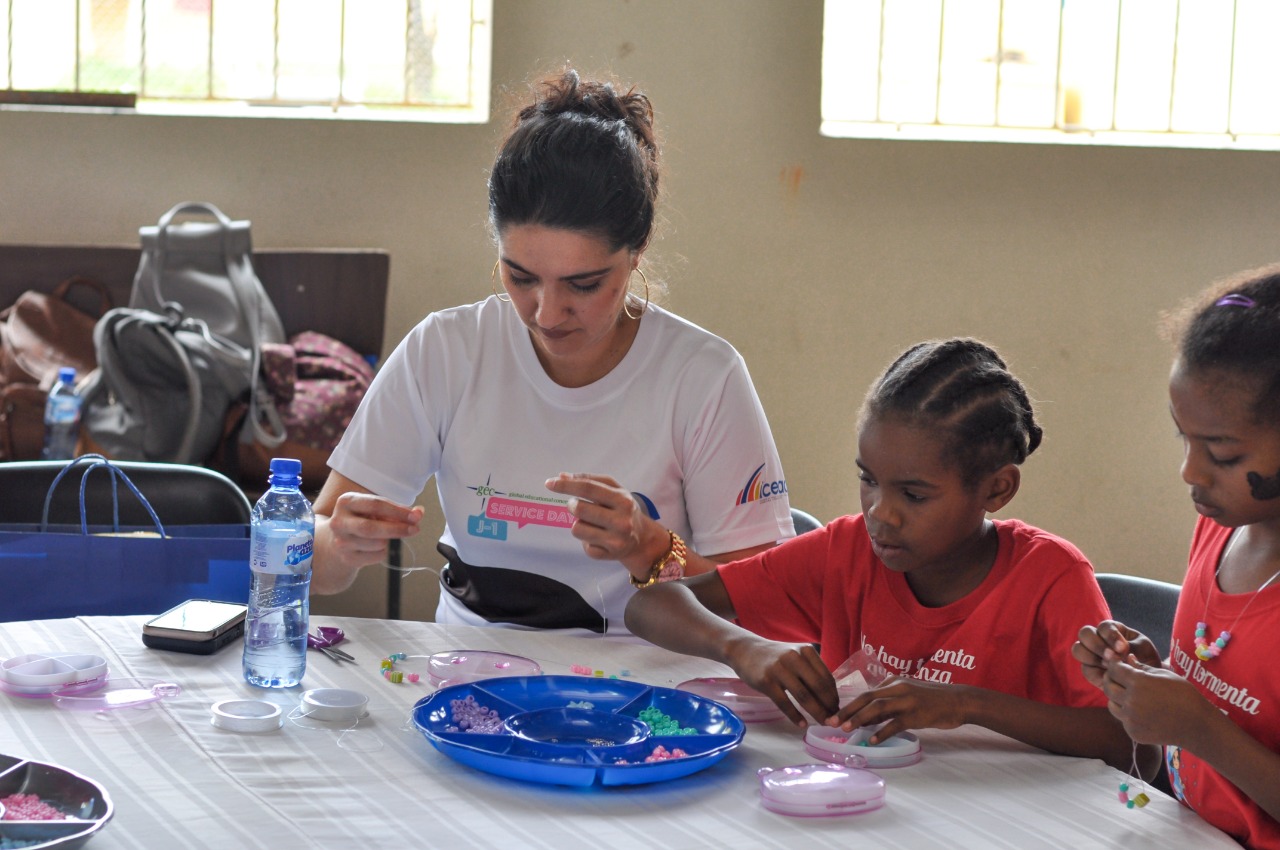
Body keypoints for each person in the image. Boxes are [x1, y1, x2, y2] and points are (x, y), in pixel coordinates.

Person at [311, 68, 793, 634]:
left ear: (635, 252)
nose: (546, 312)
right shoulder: (445, 351)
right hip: (471, 677)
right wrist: (338, 543)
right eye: (519, 277)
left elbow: (765, 611)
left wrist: (652, 549)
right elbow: (314, 565)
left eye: (583, 285)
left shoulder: (702, 376)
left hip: (645, 688)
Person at [626, 337, 1148, 773]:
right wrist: (743, 647)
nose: (881, 513)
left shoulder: (1049, 576)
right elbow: (651, 605)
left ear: (996, 490)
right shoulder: (847, 551)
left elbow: (1124, 742)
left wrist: (966, 704)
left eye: (914, 495)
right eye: (867, 480)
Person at [1074, 266, 1280, 848]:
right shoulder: (1219, 530)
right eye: (1182, 438)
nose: (1189, 471)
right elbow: (1221, 683)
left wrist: (1201, 729)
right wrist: (1148, 680)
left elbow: (1215, 727)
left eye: (1221, 452)